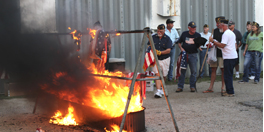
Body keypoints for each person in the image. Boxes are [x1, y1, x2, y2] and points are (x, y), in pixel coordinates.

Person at [209, 19, 237, 97]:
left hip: (229, 57)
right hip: (232, 56)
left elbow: (222, 45)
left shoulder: (225, 34)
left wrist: (213, 41)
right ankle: (229, 90)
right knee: (228, 74)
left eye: (220, 25)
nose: (219, 27)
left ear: (223, 25)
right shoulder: (231, 33)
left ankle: (230, 92)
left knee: (227, 75)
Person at [176, 21, 201, 93]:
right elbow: (179, 42)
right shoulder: (184, 34)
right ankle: (180, 86)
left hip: (193, 55)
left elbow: (199, 45)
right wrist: (181, 48)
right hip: (184, 54)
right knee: (182, 70)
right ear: (189, 28)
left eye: (195, 27)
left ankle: (192, 86)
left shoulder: (197, 35)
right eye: (192, 27)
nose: (194, 29)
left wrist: (201, 44)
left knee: (193, 71)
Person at [203, 16, 225, 94]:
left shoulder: (226, 31)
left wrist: (214, 42)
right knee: (213, 69)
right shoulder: (215, 31)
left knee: (223, 70)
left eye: (218, 23)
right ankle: (211, 87)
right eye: (216, 23)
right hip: (214, 53)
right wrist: (210, 44)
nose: (217, 24)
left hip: (222, 54)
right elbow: (213, 41)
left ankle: (223, 87)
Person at [148, 24, 172, 98]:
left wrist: (160, 52)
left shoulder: (167, 39)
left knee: (164, 75)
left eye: (161, 31)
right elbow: (149, 46)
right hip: (156, 59)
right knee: (157, 74)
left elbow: (168, 50)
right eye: (158, 31)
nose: (159, 32)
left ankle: (161, 88)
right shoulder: (153, 37)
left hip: (165, 59)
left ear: (164, 31)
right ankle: (158, 90)